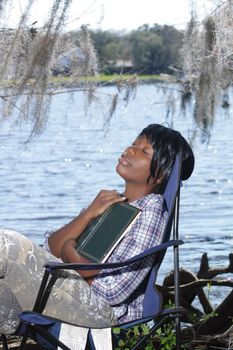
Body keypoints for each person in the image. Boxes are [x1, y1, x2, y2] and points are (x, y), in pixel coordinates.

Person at [0, 124, 194, 338]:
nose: (130, 150)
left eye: (144, 151)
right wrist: (89, 213)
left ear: (161, 174)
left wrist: (70, 255)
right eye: (133, 143)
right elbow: (49, 250)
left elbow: (113, 292)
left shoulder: (151, 213)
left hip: (105, 318)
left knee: (8, 244)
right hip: (71, 295)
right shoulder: (110, 203)